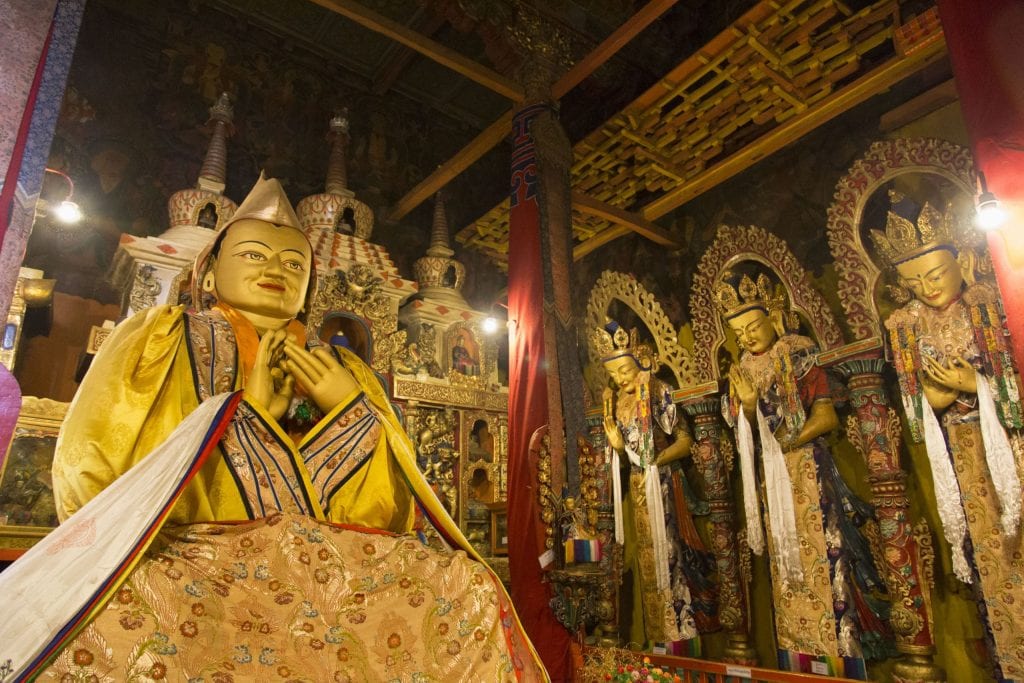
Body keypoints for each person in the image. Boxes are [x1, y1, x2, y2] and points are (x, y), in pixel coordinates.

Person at [0, 174, 545, 681]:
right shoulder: (158, 337)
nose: (276, 269)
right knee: (121, 600)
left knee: (468, 584)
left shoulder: (347, 370)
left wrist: (348, 413)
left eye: (294, 264)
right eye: (254, 255)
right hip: (186, 547)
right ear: (209, 273)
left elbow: (391, 507)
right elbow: (90, 463)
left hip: (334, 562)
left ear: (309, 288)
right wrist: (239, 414)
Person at [873, 192, 1024, 680]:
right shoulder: (905, 324)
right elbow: (915, 413)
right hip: (958, 452)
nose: (928, 288)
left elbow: (1012, 382)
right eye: (915, 282)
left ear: (962, 260)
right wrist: (936, 401)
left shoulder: (987, 300)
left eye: (936, 275)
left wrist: (973, 384)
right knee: (989, 556)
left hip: (1009, 441)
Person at [717, 271, 888, 678]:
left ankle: (840, 662)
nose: (746, 338)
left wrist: (785, 439)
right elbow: (743, 428)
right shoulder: (740, 371)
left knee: (827, 564)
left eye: (753, 327)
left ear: (773, 320)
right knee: (783, 574)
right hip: (770, 484)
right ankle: (793, 663)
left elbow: (826, 416)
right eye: (738, 333)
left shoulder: (798, 355)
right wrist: (747, 407)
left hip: (808, 474)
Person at [595, 321, 717, 649]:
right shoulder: (616, 403)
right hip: (636, 486)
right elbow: (618, 455)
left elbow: (684, 440)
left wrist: (654, 462)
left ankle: (681, 637)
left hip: (661, 483)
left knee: (669, 555)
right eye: (615, 374)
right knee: (646, 559)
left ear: (639, 361)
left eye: (625, 370)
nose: (622, 379)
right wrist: (619, 449)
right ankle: (657, 636)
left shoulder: (657, 390)